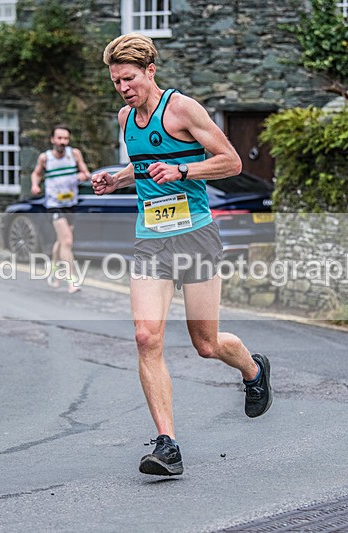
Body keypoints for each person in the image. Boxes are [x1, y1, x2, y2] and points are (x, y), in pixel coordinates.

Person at [92, 33, 273, 476]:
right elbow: (142, 170)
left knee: (206, 345)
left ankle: (253, 370)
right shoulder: (125, 118)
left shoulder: (183, 109)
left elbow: (231, 162)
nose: (123, 88)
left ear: (150, 71)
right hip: (150, 238)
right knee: (145, 336)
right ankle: (167, 444)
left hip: (195, 234)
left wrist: (184, 169)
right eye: (116, 81)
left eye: (129, 79)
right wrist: (117, 180)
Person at [30, 125, 90, 294]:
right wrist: (35, 185)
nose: (63, 142)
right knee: (67, 242)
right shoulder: (45, 158)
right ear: (52, 140)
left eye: (66, 139)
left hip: (70, 203)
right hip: (54, 204)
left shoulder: (74, 154)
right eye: (60, 138)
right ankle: (71, 281)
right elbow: (36, 174)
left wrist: (82, 175)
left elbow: (86, 172)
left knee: (61, 241)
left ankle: (53, 272)